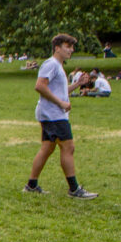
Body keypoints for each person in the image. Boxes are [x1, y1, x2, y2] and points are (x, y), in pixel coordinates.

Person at [23, 33, 98, 198]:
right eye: (68, 47)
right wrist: (61, 103)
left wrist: (77, 85)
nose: (71, 50)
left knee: (47, 148)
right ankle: (74, 189)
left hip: (49, 114)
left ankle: (31, 185)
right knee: (68, 148)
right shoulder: (52, 64)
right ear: (57, 48)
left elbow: (59, 90)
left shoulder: (57, 66)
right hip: (54, 114)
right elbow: (40, 86)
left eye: (72, 47)